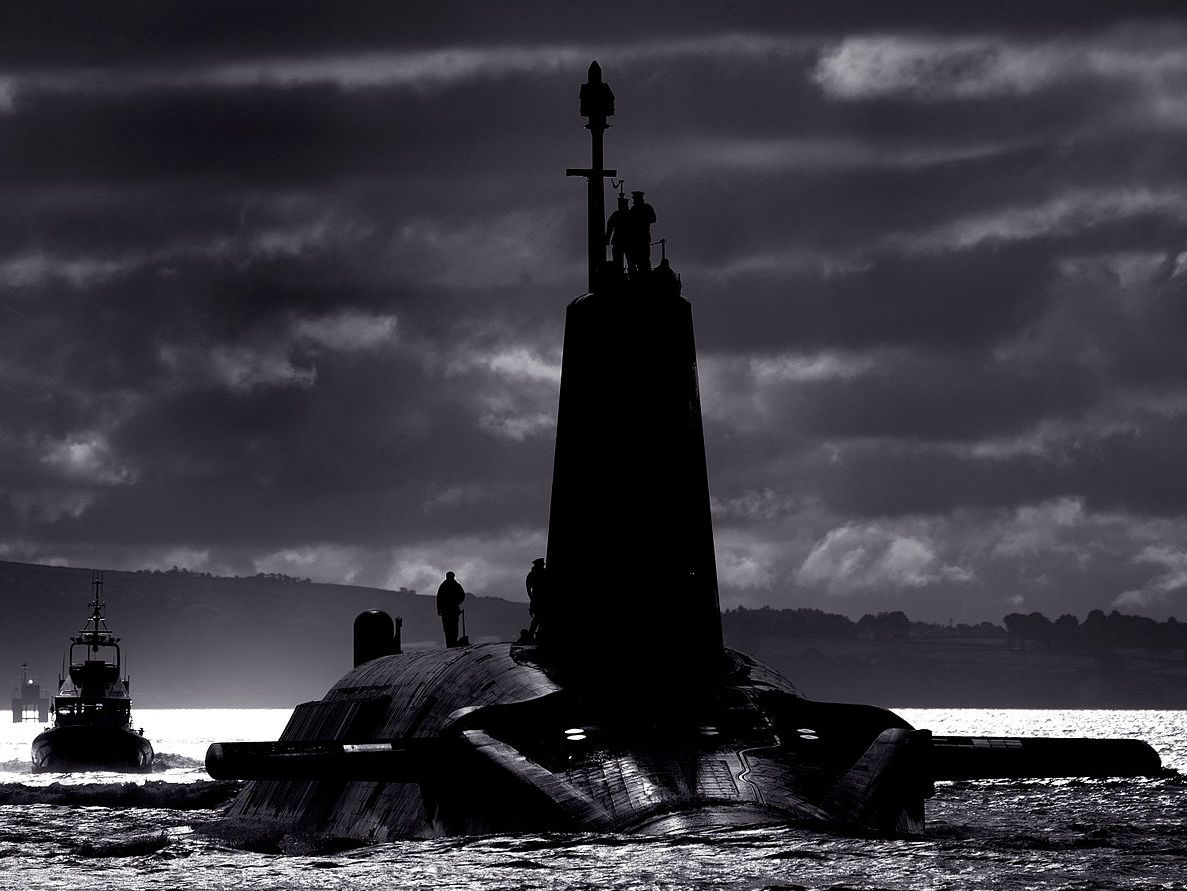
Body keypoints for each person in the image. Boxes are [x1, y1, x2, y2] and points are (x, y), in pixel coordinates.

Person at [626, 190, 656, 276]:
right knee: (641, 259)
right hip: (639, 238)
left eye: (635, 199)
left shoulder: (637, 209)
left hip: (640, 238)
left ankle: (643, 275)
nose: (634, 201)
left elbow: (653, 219)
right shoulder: (639, 209)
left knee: (643, 259)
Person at [605, 194, 633, 274]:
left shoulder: (616, 215)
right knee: (629, 261)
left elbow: (609, 228)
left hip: (620, 241)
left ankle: (620, 276)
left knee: (620, 262)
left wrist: (607, 239)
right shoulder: (630, 214)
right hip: (628, 242)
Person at [436, 571, 465, 647]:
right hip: (450, 610)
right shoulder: (454, 585)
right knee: (451, 626)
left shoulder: (444, 586)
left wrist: (439, 609)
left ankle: (451, 642)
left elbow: (439, 598)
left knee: (450, 626)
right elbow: (439, 598)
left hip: (449, 610)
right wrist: (457, 602)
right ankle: (451, 642)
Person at [525, 558, 548, 642]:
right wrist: (532, 600)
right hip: (539, 600)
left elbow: (528, 589)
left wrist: (532, 600)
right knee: (538, 618)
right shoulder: (536, 574)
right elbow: (528, 588)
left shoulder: (532, 574)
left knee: (537, 619)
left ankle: (532, 635)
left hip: (537, 599)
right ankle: (533, 635)